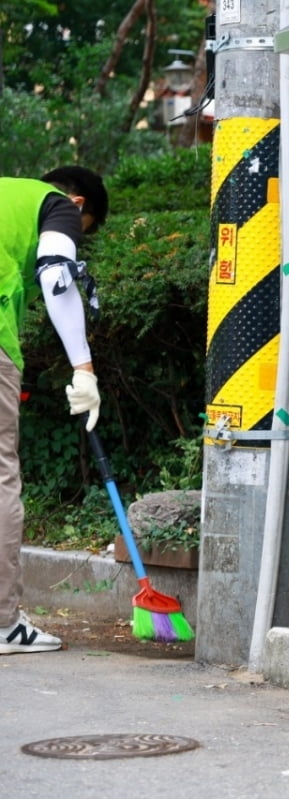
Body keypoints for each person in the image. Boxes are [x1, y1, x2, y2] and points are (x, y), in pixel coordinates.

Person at [0, 166, 107, 655]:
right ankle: (3, 624)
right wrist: (84, 369)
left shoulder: (9, 196)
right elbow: (57, 275)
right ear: (79, 205)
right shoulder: (55, 205)